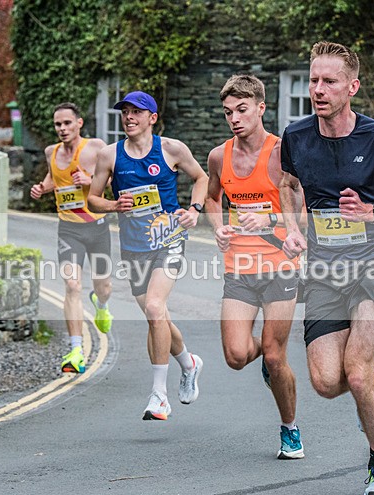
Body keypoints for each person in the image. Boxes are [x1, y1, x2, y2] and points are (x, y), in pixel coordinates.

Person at [279, 42, 374, 495]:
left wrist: (373, 213)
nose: (318, 90)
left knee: (358, 375)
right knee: (327, 382)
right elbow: (288, 185)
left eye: (330, 81)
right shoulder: (296, 136)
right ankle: (370, 367)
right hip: (323, 269)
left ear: (352, 87)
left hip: (373, 264)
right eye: (314, 81)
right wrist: (292, 228)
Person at [87, 91, 209, 421]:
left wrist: (195, 210)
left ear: (152, 118)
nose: (129, 117)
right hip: (133, 247)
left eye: (136, 112)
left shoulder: (171, 149)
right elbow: (92, 199)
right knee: (157, 318)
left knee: (156, 308)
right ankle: (189, 363)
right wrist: (114, 205)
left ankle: (159, 395)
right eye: (125, 112)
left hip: (169, 239)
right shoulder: (109, 155)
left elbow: (201, 178)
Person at [206, 74, 304, 459]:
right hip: (240, 267)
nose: (234, 118)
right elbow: (213, 199)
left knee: (275, 354)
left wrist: (271, 222)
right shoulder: (219, 156)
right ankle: (266, 363)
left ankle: (290, 429)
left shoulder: (283, 155)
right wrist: (218, 229)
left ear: (261, 108)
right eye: (228, 112)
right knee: (234, 356)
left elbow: (303, 214)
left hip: (280, 263)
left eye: (242, 109)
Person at [30, 102, 114, 374]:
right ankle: (76, 349)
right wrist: (43, 188)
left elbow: (112, 181)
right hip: (68, 229)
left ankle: (101, 304)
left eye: (67, 123)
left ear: (79, 123)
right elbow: (55, 177)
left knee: (104, 287)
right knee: (72, 285)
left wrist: (89, 180)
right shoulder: (50, 152)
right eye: (58, 124)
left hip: (97, 227)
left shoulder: (95, 147)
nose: (62, 129)